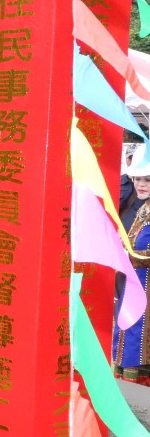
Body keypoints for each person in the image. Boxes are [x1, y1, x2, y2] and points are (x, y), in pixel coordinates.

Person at [113, 146, 150, 385]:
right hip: (132, 287)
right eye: (137, 179)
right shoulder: (142, 209)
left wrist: (128, 254)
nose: (140, 184)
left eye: (147, 179)